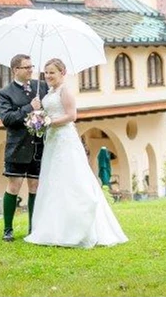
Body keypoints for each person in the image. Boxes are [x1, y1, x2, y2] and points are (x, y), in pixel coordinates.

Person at [25, 58, 128, 249]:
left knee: (70, 178)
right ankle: (53, 228)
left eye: (52, 72)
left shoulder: (65, 91)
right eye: (46, 72)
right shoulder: (49, 92)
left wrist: (48, 122)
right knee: (53, 180)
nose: (48, 76)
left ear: (62, 73)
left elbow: (72, 116)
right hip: (52, 141)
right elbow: (47, 114)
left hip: (65, 139)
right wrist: (37, 112)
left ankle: (79, 227)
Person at [0, 53, 47, 242]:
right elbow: (7, 119)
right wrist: (29, 107)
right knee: (14, 186)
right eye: (27, 67)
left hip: (37, 145)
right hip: (17, 146)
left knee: (34, 186)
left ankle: (33, 228)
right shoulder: (5, 93)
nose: (31, 70)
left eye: (32, 66)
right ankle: (8, 229)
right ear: (15, 70)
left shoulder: (41, 87)